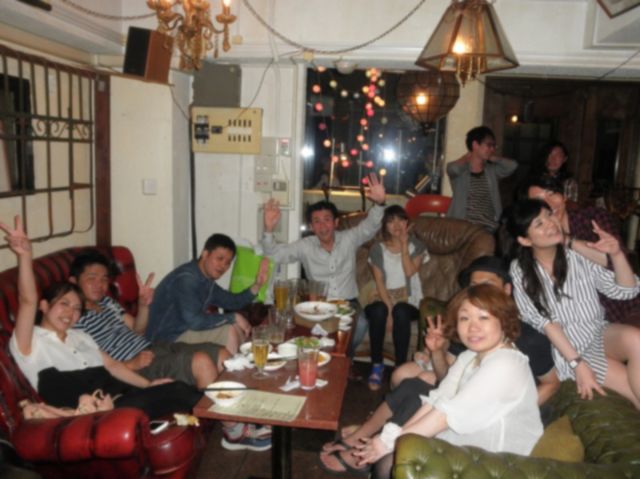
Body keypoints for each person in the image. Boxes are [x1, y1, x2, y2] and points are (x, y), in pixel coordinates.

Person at [1, 216, 201, 420]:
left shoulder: (80, 336)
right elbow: (27, 300)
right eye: (64, 304)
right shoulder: (30, 343)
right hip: (98, 414)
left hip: (122, 396)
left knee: (176, 388)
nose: (71, 313)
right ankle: (220, 417)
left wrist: (149, 385)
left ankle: (218, 416)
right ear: (44, 306)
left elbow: (113, 366)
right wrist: (25, 256)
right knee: (179, 391)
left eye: (77, 308)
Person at [344, 285, 543, 478]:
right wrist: (394, 438)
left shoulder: (506, 363)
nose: (473, 327)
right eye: (464, 318)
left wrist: (390, 442)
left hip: (499, 461)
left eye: (483, 317)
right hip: (468, 443)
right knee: (392, 459)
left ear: (504, 320)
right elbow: (437, 400)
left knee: (390, 463)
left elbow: (446, 415)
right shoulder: (470, 356)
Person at [507, 199, 640, 409]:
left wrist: (616, 254)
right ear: (525, 240)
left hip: (598, 332)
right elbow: (545, 322)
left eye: (549, 215)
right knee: (633, 394)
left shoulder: (577, 255)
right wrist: (578, 365)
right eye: (539, 224)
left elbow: (626, 291)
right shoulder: (520, 270)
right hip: (569, 348)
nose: (550, 223)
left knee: (636, 339)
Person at [391, 255, 560, 405]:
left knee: (423, 380)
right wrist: (436, 352)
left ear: (507, 289)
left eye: (488, 285)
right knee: (400, 374)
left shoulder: (528, 336)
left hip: (503, 401)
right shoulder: (467, 325)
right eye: (474, 286)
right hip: (461, 386)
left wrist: (519, 410)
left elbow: (552, 383)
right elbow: (445, 376)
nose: (480, 293)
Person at [261, 172, 387, 357]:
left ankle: (344, 359)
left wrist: (380, 204)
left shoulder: (349, 238)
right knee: (305, 329)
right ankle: (329, 358)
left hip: (348, 303)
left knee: (360, 324)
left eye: (327, 220)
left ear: (336, 222)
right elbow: (275, 255)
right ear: (311, 227)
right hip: (318, 304)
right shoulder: (305, 245)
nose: (322, 226)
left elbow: (370, 227)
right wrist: (269, 229)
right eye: (317, 222)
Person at [69, 250, 230, 389]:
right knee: (201, 362)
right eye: (91, 278)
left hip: (153, 348)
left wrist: (143, 305)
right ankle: (219, 415)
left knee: (222, 355)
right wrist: (131, 364)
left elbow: (138, 329)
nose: (99, 284)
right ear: (74, 281)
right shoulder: (73, 319)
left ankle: (234, 412)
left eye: (104, 279)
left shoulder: (107, 302)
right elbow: (96, 366)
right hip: (135, 366)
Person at [525, 175, 640, 326]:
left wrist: (567, 240)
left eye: (552, 194)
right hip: (582, 322)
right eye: (538, 200)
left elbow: (617, 261)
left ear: (564, 196)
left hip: (626, 306)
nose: (549, 203)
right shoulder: (535, 242)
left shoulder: (592, 218)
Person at [145, 233, 269, 355]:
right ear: (205, 254)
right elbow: (194, 321)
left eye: (227, 263)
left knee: (234, 325)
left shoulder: (206, 280)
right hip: (163, 341)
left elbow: (232, 302)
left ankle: (248, 363)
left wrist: (257, 285)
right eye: (219, 258)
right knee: (229, 330)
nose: (223, 266)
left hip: (183, 332)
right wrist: (233, 317)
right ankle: (235, 366)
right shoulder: (187, 279)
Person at [365, 205, 429, 390]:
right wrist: (389, 312)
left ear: (407, 223)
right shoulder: (377, 249)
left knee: (400, 310)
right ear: (385, 226)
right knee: (379, 310)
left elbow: (409, 271)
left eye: (401, 219)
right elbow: (379, 282)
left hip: (409, 301)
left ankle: (400, 368)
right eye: (391, 221)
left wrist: (404, 245)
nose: (397, 225)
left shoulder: (417, 246)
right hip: (382, 297)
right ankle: (377, 365)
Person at [446, 126, 517, 232]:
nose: (492, 149)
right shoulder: (461, 172)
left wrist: (493, 158)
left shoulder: (491, 171)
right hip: (463, 226)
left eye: (494, 146)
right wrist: (466, 157)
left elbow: (512, 166)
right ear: (475, 145)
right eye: (489, 145)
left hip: (488, 227)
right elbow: (453, 169)